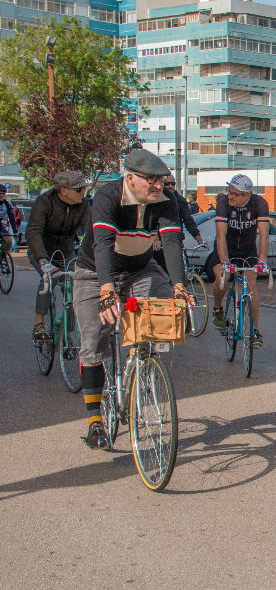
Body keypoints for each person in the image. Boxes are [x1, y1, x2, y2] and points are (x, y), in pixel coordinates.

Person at [72, 149, 190, 450]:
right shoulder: (107, 198)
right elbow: (102, 244)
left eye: (161, 181)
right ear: (130, 178)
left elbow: (172, 242)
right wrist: (107, 289)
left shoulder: (167, 201)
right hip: (95, 272)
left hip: (140, 268)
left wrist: (179, 286)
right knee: (93, 341)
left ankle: (142, 358)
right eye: (150, 181)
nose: (157, 186)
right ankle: (94, 420)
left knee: (163, 305)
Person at [27, 171, 91, 341]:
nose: (83, 193)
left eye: (83, 189)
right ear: (64, 190)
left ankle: (66, 330)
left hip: (67, 251)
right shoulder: (44, 202)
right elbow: (33, 232)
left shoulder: (83, 205)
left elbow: (89, 233)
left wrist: (92, 257)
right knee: (49, 279)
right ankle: (38, 324)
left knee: (76, 287)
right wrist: (42, 261)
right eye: (79, 190)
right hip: (41, 250)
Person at [211, 174, 269, 347]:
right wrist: (225, 261)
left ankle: (255, 330)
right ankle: (217, 308)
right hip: (226, 247)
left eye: (234, 194)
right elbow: (220, 236)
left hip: (247, 248)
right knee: (223, 277)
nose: (230, 196)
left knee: (251, 286)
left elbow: (264, 235)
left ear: (246, 195)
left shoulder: (259, 204)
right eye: (229, 191)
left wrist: (262, 260)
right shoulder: (223, 204)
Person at [153, 175, 204, 275]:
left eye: (173, 184)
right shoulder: (156, 199)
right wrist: (155, 239)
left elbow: (188, 220)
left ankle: (180, 288)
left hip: (175, 240)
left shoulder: (180, 200)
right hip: (159, 242)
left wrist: (198, 238)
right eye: (167, 184)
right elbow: (152, 221)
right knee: (159, 272)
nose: (170, 186)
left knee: (180, 270)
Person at [0, 184, 18, 254]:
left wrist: (15, 231)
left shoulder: (7, 205)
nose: (1, 195)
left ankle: (3, 256)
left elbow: (12, 219)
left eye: (3, 193)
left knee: (8, 240)